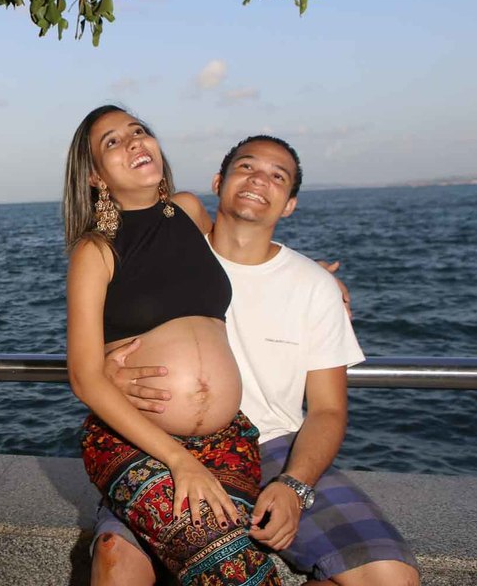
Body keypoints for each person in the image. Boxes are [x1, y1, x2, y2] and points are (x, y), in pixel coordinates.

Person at [92, 136, 420, 586]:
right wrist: (107, 366)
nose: (259, 180)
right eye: (246, 167)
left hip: (277, 448)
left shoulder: (312, 287)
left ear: (289, 205)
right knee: (116, 563)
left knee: (392, 578)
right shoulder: (161, 257)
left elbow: (327, 409)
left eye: (277, 176)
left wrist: (294, 485)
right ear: (218, 182)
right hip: (169, 447)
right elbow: (96, 328)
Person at [64, 105, 281, 586]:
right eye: (113, 142)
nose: (135, 142)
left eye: (139, 131)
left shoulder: (188, 209)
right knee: (234, 570)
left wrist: (318, 278)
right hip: (133, 440)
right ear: (97, 177)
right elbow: (83, 375)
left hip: (226, 442)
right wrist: (180, 461)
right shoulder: (95, 250)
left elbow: (248, 255)